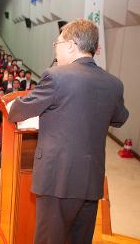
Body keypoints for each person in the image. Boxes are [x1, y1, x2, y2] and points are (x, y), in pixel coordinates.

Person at [8, 19, 129, 244]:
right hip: (90, 181)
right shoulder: (114, 83)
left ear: (71, 45)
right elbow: (120, 119)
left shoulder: (57, 76)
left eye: (57, 43)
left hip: (58, 179)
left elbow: (17, 112)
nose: (56, 48)